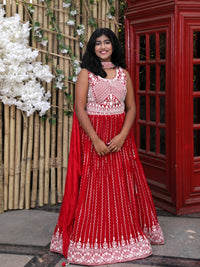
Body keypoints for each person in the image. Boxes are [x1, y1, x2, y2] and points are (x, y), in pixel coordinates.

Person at [50, 28, 164, 266]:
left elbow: (131, 108)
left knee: (121, 186)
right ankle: (94, 240)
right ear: (92, 47)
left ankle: (124, 237)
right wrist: (95, 139)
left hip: (120, 139)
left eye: (107, 42)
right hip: (95, 139)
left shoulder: (124, 74)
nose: (103, 47)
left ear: (114, 46)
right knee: (95, 189)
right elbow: (80, 109)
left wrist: (123, 135)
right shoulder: (86, 74)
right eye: (98, 43)